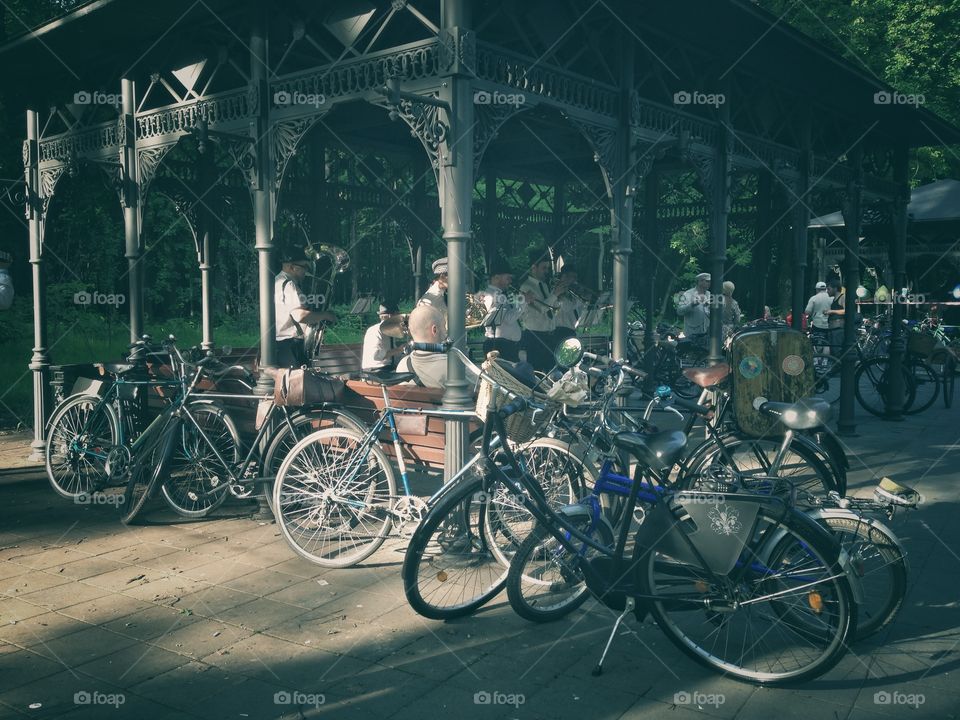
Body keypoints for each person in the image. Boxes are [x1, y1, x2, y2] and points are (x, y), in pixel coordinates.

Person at [274, 252, 337, 368]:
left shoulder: (277, 281)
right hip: (290, 345)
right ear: (292, 267)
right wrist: (326, 315)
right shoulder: (289, 284)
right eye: (305, 267)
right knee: (298, 383)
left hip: (281, 346)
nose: (307, 272)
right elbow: (300, 316)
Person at [519, 249, 565, 372]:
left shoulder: (544, 285)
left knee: (551, 373)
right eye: (544, 268)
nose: (547, 271)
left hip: (549, 335)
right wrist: (554, 294)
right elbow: (542, 308)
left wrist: (558, 298)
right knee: (537, 373)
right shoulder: (526, 287)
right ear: (534, 267)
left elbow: (552, 309)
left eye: (547, 268)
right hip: (534, 337)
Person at [478, 259, 523, 362]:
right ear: (496, 277)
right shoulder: (492, 295)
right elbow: (508, 319)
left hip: (505, 346)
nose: (510, 281)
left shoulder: (498, 294)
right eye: (508, 278)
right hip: (499, 345)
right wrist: (523, 303)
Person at [361, 302, 408, 374]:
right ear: (390, 316)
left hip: (387, 369)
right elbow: (376, 356)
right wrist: (398, 350)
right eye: (397, 316)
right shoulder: (374, 331)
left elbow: (393, 356)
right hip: (375, 371)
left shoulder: (391, 331)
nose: (400, 320)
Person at [554, 266, 585, 344]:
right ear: (564, 276)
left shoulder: (571, 292)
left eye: (576, 277)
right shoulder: (557, 290)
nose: (575, 280)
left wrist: (581, 296)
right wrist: (579, 298)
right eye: (573, 277)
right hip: (560, 332)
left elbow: (579, 312)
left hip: (571, 331)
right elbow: (567, 307)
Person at [676, 272, 711, 339]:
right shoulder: (687, 294)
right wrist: (692, 304)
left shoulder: (709, 294)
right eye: (707, 281)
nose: (709, 283)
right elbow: (679, 311)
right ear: (700, 282)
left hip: (706, 332)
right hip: (692, 333)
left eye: (709, 281)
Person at [805, 281, 832, 351]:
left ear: (817, 289)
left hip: (817, 324)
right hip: (830, 324)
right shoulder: (832, 298)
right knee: (827, 343)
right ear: (826, 289)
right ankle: (825, 361)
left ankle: (817, 359)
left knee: (817, 342)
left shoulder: (814, 298)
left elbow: (807, 311)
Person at [826, 279, 846, 353]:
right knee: (833, 350)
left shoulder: (842, 297)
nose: (827, 291)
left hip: (838, 328)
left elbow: (846, 311)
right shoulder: (834, 299)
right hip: (833, 328)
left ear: (835, 288)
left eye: (829, 289)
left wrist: (832, 311)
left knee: (837, 350)